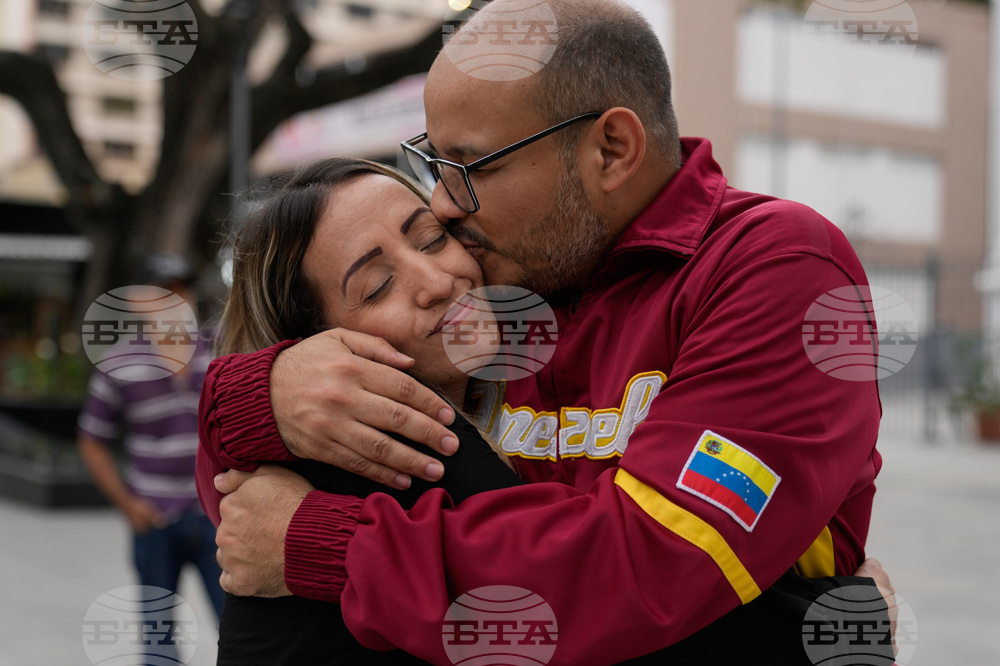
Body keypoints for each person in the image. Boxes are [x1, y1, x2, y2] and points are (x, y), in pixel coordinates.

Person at [207, 1, 894, 663]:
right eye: (435, 168)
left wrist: (328, 548)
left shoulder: (772, 266)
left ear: (613, 149)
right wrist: (256, 395)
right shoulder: (493, 286)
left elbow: (644, 574)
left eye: (473, 167)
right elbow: (246, 507)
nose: (445, 207)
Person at [201, 158, 525, 665]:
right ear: (318, 345)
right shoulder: (392, 455)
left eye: (433, 238)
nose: (436, 282)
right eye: (377, 285)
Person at [77, 254, 225, 655]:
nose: (177, 301)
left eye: (183, 290)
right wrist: (128, 504)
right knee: (158, 640)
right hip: (155, 519)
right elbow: (91, 438)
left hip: (218, 518)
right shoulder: (117, 364)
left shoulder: (220, 352)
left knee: (240, 628)